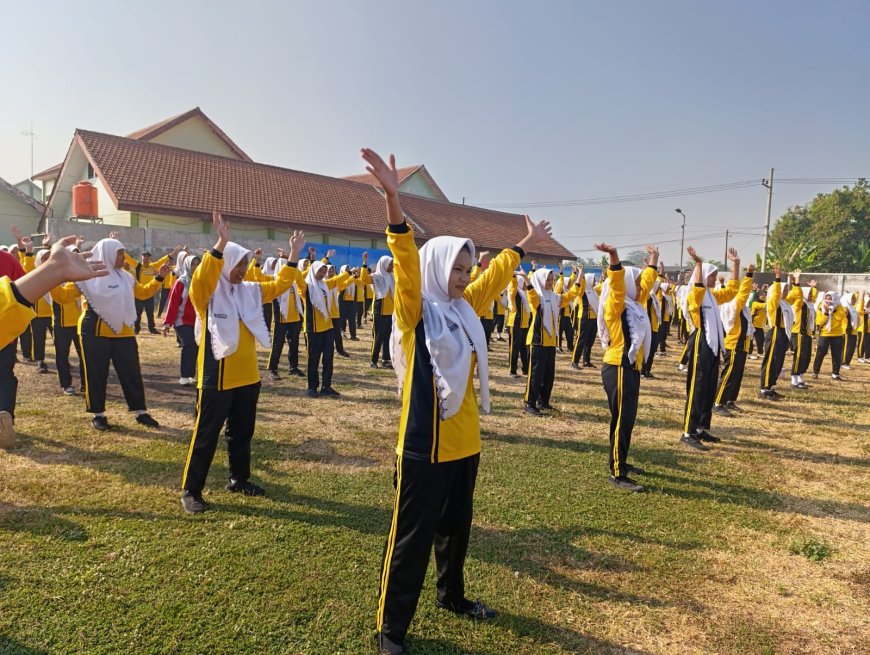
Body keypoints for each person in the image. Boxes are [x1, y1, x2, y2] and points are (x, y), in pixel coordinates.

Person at [361, 147, 551, 655]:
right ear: (438, 266)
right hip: (423, 444)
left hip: (464, 443)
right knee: (410, 540)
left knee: (455, 532)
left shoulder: (464, 308)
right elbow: (403, 261)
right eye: (458, 269)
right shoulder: (414, 308)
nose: (465, 277)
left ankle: (452, 596)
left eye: (468, 270)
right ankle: (390, 629)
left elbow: (496, 276)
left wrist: (524, 246)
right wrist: (393, 203)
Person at [180, 212, 306, 513]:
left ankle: (239, 479)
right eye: (237, 264)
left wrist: (293, 256)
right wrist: (222, 242)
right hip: (217, 376)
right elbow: (202, 277)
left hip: (248, 378)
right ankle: (191, 490)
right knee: (206, 434)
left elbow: (277, 286)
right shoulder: (207, 295)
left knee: (242, 432)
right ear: (224, 265)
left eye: (245, 264)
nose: (243, 269)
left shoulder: (248, 291)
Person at [0, 236, 108, 447]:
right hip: (16, 325)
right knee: (5, 376)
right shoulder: (8, 260)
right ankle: (5, 415)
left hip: (18, 322)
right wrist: (52, 269)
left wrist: (54, 269)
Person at [594, 242, 657, 492]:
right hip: (618, 365)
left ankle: (621, 461)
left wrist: (653, 259)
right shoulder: (617, 304)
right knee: (621, 418)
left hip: (629, 367)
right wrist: (614, 257)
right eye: (637, 281)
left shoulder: (635, 303)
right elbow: (618, 284)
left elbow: (647, 283)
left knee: (626, 419)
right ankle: (617, 472)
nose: (641, 285)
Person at [680, 247, 739, 449]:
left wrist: (736, 265)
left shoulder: (712, 296)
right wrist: (698, 263)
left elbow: (732, 292)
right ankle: (688, 432)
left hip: (713, 344)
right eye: (712, 276)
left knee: (708, 388)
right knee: (697, 388)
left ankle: (701, 428)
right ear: (704, 276)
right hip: (701, 342)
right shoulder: (696, 296)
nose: (715, 279)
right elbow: (697, 287)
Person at [523, 265, 582, 415]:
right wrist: (527, 282)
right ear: (540, 281)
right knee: (535, 376)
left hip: (550, 343)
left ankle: (543, 402)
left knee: (548, 376)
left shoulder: (554, 297)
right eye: (547, 280)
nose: (550, 282)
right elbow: (532, 298)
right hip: (537, 342)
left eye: (551, 279)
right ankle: (530, 404)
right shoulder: (537, 297)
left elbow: (570, 296)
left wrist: (579, 277)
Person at [296, 259, 351, 397]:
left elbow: (337, 279)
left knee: (328, 358)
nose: (322, 273)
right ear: (313, 270)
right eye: (320, 270)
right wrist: (293, 256)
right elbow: (297, 278)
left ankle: (326, 386)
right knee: (313, 359)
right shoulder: (306, 287)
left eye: (324, 271)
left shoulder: (325, 285)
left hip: (328, 328)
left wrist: (349, 273)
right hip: (313, 329)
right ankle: (312, 387)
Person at [712, 262, 755, 414]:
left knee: (737, 375)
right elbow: (743, 292)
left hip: (742, 344)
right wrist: (748, 274)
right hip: (734, 344)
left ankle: (730, 400)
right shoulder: (733, 304)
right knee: (729, 374)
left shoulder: (741, 307)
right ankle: (717, 403)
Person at [49, 238, 87, 395]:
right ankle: (66, 384)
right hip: (62, 324)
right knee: (62, 356)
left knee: (84, 355)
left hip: (80, 323)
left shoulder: (84, 277)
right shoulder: (59, 276)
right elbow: (59, 296)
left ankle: (86, 383)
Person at [163, 251, 201, 386]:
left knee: (197, 347)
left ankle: (192, 375)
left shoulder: (202, 281)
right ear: (187, 266)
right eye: (193, 264)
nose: (195, 267)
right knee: (189, 343)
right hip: (182, 320)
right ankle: (184, 376)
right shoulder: (181, 282)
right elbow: (173, 303)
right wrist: (167, 322)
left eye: (198, 264)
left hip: (198, 321)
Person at [125, 243, 180, 334]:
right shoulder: (137, 266)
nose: (145, 258)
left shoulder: (153, 266)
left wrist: (174, 253)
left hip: (149, 293)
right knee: (138, 313)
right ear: (141, 257)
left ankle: (152, 329)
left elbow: (163, 259)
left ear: (149, 258)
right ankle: (136, 329)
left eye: (147, 257)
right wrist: (116, 242)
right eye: (144, 256)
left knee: (150, 313)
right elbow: (127, 258)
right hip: (139, 293)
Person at [266, 256, 306, 380]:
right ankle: (272, 369)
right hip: (282, 318)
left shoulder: (293, 283)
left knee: (294, 344)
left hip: (294, 318)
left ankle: (293, 367)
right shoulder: (275, 281)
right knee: (278, 344)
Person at [759, 265, 795, 401]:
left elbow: (796, 295)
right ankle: (764, 389)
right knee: (770, 361)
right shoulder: (774, 302)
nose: (785, 291)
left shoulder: (785, 303)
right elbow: (775, 292)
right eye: (783, 289)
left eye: (787, 289)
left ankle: (771, 387)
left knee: (778, 362)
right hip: (775, 332)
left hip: (783, 334)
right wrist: (778, 278)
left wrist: (795, 282)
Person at [362, 254, 395, 368]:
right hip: (379, 310)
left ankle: (385, 359)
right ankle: (373, 360)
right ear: (384, 265)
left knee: (388, 336)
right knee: (378, 336)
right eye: (390, 264)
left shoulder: (392, 277)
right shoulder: (376, 276)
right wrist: (364, 263)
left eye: (392, 264)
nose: (392, 266)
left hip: (390, 312)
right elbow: (364, 279)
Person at [812, 291, 847, 380]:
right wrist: (826, 313)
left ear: (834, 299)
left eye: (830, 298)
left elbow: (840, 318)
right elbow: (819, 322)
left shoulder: (839, 307)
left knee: (836, 354)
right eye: (826, 298)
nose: (828, 301)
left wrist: (832, 311)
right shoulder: (821, 306)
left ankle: (835, 374)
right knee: (820, 352)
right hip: (825, 334)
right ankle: (815, 372)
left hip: (837, 334)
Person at [789, 272, 815, 389]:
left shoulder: (810, 305)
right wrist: (796, 280)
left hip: (807, 333)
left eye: (811, 293)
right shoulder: (799, 303)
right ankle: (794, 380)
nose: (811, 295)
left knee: (806, 357)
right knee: (799, 356)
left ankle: (800, 377)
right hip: (798, 333)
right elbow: (797, 294)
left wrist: (812, 287)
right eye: (809, 293)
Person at [572, 271, 600, 369]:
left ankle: (586, 361)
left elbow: (603, 286)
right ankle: (574, 361)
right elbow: (581, 284)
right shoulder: (583, 291)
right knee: (581, 339)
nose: (594, 281)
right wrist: (581, 275)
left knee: (590, 341)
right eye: (593, 279)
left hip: (593, 319)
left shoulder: (593, 291)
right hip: (584, 318)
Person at [506, 272, 531, 378]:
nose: (525, 285)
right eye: (524, 283)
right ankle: (512, 371)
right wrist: (513, 275)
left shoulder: (524, 293)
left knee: (524, 348)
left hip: (524, 324)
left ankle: (525, 370)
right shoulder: (515, 292)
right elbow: (512, 285)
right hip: (515, 323)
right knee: (514, 348)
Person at [841, 292, 860, 369]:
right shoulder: (845, 307)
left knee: (851, 347)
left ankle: (847, 362)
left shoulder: (853, 308)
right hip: (847, 330)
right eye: (851, 298)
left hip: (854, 330)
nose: (853, 300)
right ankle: (843, 362)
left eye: (854, 299)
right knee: (846, 347)